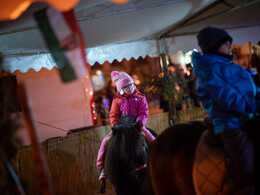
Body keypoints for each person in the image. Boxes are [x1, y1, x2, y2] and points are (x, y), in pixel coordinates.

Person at [192, 26, 260, 195]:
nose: (230, 46)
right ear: (214, 46)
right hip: (229, 122)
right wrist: (253, 106)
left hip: (247, 116)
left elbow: (249, 89)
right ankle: (240, 189)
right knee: (244, 162)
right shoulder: (209, 70)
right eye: (226, 44)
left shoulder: (226, 65)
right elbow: (227, 98)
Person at [97, 71, 156, 180]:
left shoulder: (140, 97)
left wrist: (140, 123)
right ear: (121, 89)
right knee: (105, 141)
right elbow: (113, 115)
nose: (130, 87)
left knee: (151, 137)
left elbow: (144, 112)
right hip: (122, 128)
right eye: (127, 86)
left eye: (131, 84)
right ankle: (103, 167)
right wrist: (116, 125)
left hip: (137, 125)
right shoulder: (117, 100)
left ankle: (158, 154)